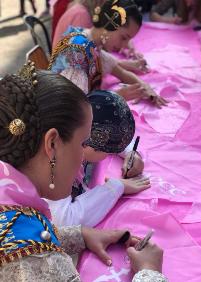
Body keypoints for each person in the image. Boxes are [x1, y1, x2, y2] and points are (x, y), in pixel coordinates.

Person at [0, 62, 168, 282]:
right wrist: (149, 272)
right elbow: (28, 251)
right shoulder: (33, 258)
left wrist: (78, 235)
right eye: (82, 143)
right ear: (52, 144)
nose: (82, 160)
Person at [48, 90, 150, 228]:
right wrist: (116, 187)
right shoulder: (56, 167)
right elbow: (64, 221)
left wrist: (132, 153)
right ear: (86, 141)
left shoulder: (75, 132)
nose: (109, 155)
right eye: (108, 152)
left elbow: (108, 132)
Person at [49, 0, 168, 108]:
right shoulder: (77, 51)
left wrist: (145, 87)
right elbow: (77, 106)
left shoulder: (92, 44)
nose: (126, 45)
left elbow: (121, 72)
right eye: (124, 37)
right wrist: (116, 96)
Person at [52, 0, 147, 72]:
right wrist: (126, 65)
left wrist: (125, 42)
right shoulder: (81, 16)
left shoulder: (90, 14)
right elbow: (88, 63)